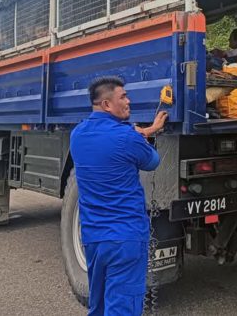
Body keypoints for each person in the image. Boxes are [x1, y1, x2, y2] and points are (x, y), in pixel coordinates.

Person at [70, 76, 168, 316]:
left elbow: (114, 139)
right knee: (123, 308)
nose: (129, 101)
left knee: (99, 306)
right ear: (106, 104)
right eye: (123, 97)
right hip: (126, 238)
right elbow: (152, 161)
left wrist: (144, 131)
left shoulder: (77, 135)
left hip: (94, 239)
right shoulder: (127, 138)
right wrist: (148, 133)